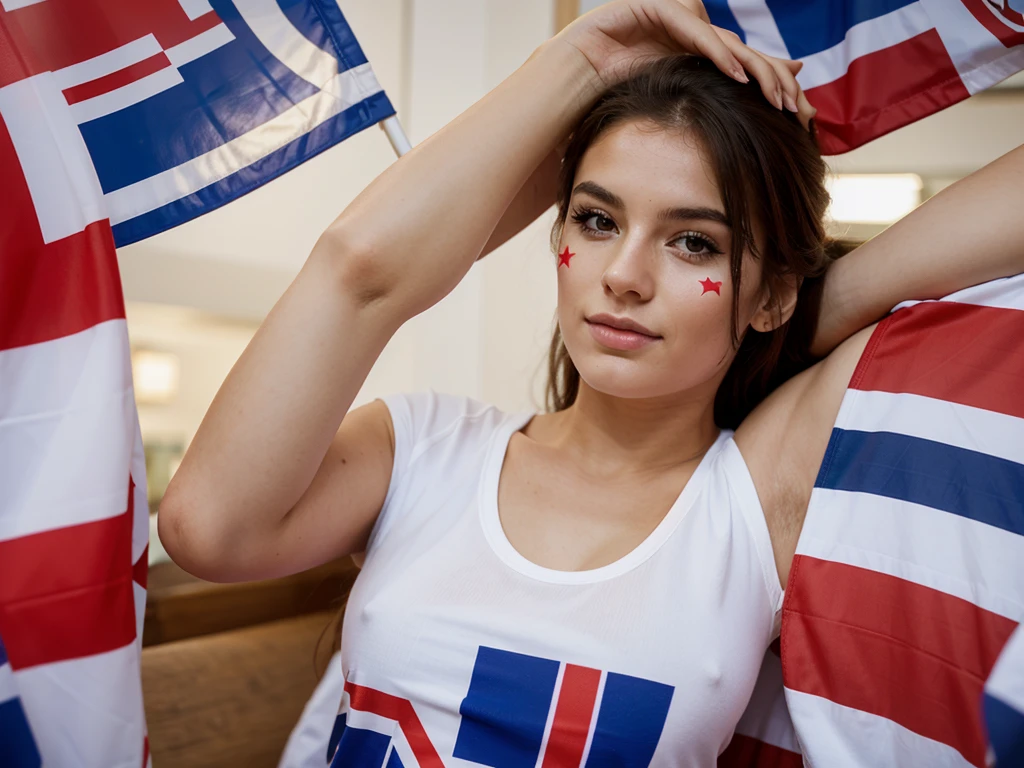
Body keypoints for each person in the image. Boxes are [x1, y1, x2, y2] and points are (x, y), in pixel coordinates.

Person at [158, 1, 1024, 764]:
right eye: (598, 220)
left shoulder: (754, 498)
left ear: (769, 291)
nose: (624, 275)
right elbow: (213, 523)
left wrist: (821, 304)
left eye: (695, 243)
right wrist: (581, 60)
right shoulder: (422, 448)